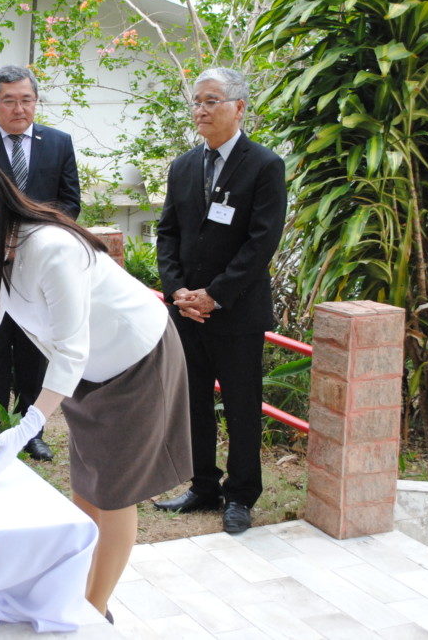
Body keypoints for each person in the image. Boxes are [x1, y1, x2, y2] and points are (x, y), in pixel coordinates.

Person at [0, 152, 191, 619]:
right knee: (86, 486)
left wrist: (33, 420)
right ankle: (74, 588)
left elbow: (72, 347)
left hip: (135, 360)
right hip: (87, 369)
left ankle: (94, 610)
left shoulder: (51, 248)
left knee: (114, 492)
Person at [152, 67, 287, 535]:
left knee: (241, 405)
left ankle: (241, 494)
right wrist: (178, 292)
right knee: (193, 404)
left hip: (237, 312)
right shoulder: (184, 165)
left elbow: (261, 242)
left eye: (212, 100)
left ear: (238, 108)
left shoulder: (264, 165)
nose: (201, 110)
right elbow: (167, 233)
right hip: (187, 311)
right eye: (197, 101)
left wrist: (216, 295)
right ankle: (203, 484)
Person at [0, 65, 81, 461]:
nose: (18, 108)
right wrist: (0, 238)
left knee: (34, 348)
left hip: (40, 266)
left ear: (35, 102)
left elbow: (70, 202)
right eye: (9, 100)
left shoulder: (58, 143)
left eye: (26, 100)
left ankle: (33, 430)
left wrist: (31, 240)